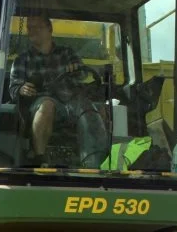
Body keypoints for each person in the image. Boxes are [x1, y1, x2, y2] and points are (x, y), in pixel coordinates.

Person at [8, 16, 109, 167]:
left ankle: (94, 164)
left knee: (91, 108)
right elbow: (13, 88)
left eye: (38, 27)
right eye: (30, 28)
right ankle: (39, 159)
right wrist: (21, 89)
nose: (32, 31)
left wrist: (75, 69)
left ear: (50, 29)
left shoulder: (67, 53)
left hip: (72, 100)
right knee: (47, 105)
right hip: (42, 101)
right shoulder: (22, 60)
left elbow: (83, 74)